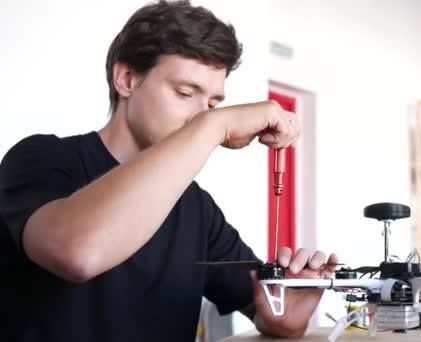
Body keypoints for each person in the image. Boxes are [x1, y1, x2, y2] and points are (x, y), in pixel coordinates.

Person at [0, 1, 338, 341]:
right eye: (185, 93)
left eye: (212, 103)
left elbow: (268, 312)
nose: (200, 114)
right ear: (127, 79)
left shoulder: (197, 208)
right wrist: (215, 123)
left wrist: (289, 313)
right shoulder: (41, 158)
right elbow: (78, 253)